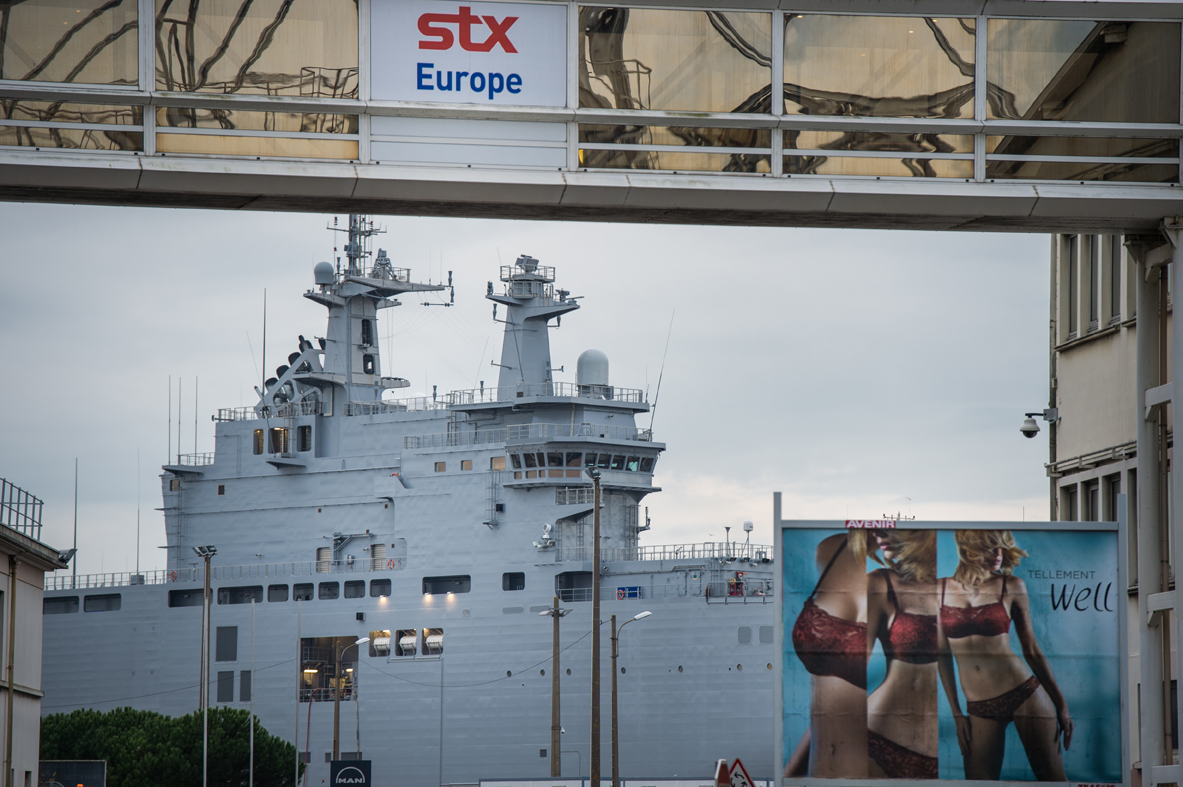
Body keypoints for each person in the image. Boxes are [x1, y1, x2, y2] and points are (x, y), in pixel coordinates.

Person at [937, 530, 1073, 781]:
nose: (998, 555)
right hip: (979, 707)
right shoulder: (940, 589)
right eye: (991, 548)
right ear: (969, 550)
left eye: (1001, 548)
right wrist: (957, 713)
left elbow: (1031, 649)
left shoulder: (1011, 586)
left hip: (1024, 692)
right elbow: (941, 654)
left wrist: (1061, 704)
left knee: (1053, 780)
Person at [785, 531, 870, 777]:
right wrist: (790, 773)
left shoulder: (916, 573)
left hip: (872, 769)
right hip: (818, 768)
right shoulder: (832, 548)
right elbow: (831, 703)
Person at [866, 529, 939, 779]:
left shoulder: (951, 585)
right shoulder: (880, 583)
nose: (879, 535)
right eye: (876, 531)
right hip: (881, 731)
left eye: (889, 530)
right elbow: (850, 674)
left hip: (940, 743)